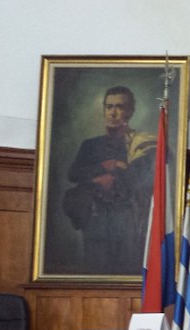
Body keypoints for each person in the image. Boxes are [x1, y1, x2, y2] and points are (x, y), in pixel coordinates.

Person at [63, 86, 157, 275]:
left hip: (127, 216)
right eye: (109, 107)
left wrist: (116, 178)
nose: (113, 113)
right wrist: (107, 166)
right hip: (95, 216)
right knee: (95, 267)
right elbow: (73, 174)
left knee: (127, 266)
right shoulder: (90, 145)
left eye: (119, 107)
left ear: (130, 111)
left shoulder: (139, 144)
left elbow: (142, 178)